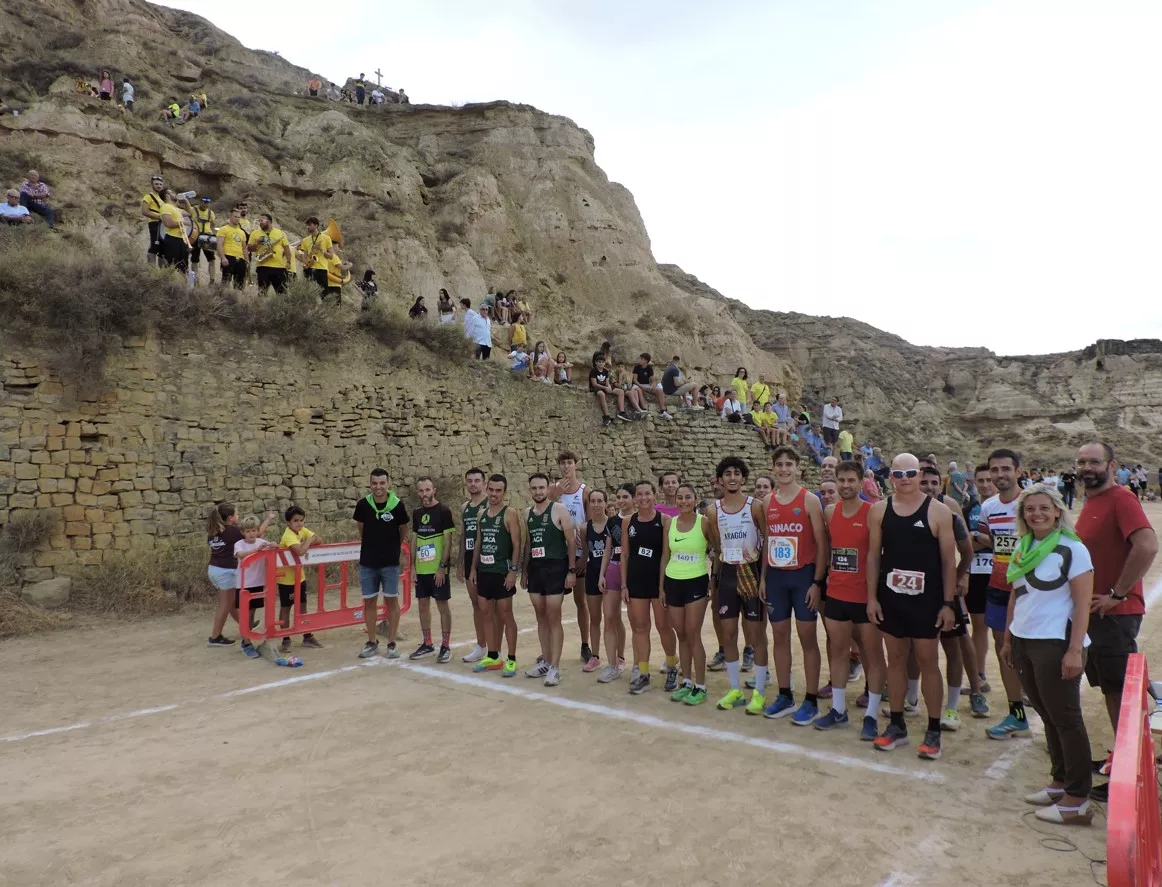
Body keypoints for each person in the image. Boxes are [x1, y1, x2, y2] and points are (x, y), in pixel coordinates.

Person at [1001, 484, 1095, 824]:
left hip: (1055, 642)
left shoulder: (1073, 549)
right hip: (1025, 638)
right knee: (1047, 713)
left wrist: (1073, 650)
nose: (1036, 513)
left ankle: (1077, 797)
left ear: (1057, 510)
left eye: (1044, 508)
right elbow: (1017, 595)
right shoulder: (1025, 547)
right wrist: (1010, 639)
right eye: (1030, 509)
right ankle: (1059, 781)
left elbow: (1083, 603)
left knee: (1066, 719)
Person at [1075, 442, 1159, 800]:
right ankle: (1124, 761)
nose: (1087, 467)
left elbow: (1147, 545)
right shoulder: (1092, 501)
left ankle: (1134, 773)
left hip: (1116, 615)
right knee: (1111, 691)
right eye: (1081, 461)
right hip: (1098, 614)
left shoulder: (1121, 498)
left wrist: (1119, 593)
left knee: (1121, 694)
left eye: (1094, 461)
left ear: (1111, 465)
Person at [866, 454, 958, 760]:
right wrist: (871, 598)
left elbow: (948, 561)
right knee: (895, 659)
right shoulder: (879, 510)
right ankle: (896, 725)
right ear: (890, 477)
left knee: (927, 660)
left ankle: (933, 729)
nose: (904, 478)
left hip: (927, 600)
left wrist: (948, 603)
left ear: (920, 475)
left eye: (910, 472)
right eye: (898, 473)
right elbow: (873, 556)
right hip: (891, 597)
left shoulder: (940, 512)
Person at [813, 460, 888, 740]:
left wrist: (874, 597)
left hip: (865, 597)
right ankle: (839, 709)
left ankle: (871, 714)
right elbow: (829, 550)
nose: (845, 485)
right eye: (841, 480)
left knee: (872, 653)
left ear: (861, 482)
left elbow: (877, 554)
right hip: (836, 594)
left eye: (850, 481)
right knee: (838, 652)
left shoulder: (873, 511)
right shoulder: (830, 511)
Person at [760, 446, 828, 724]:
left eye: (789, 464)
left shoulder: (810, 500)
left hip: (803, 578)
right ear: (774, 467)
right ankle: (785, 694)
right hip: (776, 578)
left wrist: (817, 583)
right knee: (779, 637)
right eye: (780, 464)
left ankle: (811, 700)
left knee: (807, 638)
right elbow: (768, 543)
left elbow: (823, 545)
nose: (784, 469)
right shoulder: (767, 502)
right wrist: (764, 578)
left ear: (798, 467)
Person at [919, 466, 986, 727]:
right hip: (920, 588)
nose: (928, 486)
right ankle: (912, 696)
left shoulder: (950, 507)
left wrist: (962, 577)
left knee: (959, 640)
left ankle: (976, 690)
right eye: (923, 481)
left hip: (948, 586)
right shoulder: (904, 506)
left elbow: (965, 547)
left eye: (933, 482)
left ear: (941, 484)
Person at [705, 457, 769, 713]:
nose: (732, 478)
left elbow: (766, 546)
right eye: (727, 474)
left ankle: (760, 692)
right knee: (728, 633)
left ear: (743, 478)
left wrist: (764, 578)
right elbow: (718, 549)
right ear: (720, 480)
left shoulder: (756, 507)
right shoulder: (712, 511)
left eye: (736, 473)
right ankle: (734, 689)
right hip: (728, 576)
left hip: (752, 573)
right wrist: (714, 581)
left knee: (756, 636)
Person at [979, 449, 1034, 741]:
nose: (1000, 475)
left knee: (1037, 653)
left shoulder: (1034, 503)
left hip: (1033, 592)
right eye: (995, 470)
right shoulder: (988, 507)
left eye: (1005, 469)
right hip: (999, 588)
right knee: (1005, 651)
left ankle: (1055, 723)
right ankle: (1018, 715)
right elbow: (988, 541)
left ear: (1018, 470)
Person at [658, 483, 716, 706]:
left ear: (695, 499)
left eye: (687, 497)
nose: (683, 501)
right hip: (673, 581)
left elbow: (716, 551)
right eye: (680, 498)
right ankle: (687, 682)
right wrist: (662, 587)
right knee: (681, 633)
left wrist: (713, 579)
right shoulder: (670, 524)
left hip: (696, 582)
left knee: (693, 634)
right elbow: (665, 555)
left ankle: (700, 686)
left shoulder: (704, 522)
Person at [521, 474, 577, 686]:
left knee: (553, 616)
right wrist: (524, 571)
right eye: (534, 488)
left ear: (548, 489)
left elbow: (571, 542)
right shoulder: (527, 513)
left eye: (541, 487)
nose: (538, 491)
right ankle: (545, 660)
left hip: (556, 567)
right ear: (530, 490)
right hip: (536, 569)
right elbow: (528, 544)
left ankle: (555, 666)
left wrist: (571, 571)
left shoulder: (559, 509)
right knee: (540, 616)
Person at [469, 474, 522, 676]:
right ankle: (492, 656)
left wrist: (513, 571)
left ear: (504, 492)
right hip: (484, 571)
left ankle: (511, 659)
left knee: (506, 614)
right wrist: (473, 569)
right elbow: (478, 544)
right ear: (486, 489)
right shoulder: (481, 514)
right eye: (491, 490)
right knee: (486, 613)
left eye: (498, 491)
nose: (493, 494)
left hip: (502, 572)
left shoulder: (509, 514)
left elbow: (517, 544)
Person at [354, 468, 410, 659]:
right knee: (369, 602)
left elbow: (403, 529)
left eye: (382, 483)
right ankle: (371, 642)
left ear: (388, 484)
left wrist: (393, 546)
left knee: (391, 601)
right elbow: (361, 528)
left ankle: (392, 643)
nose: (378, 487)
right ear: (370, 484)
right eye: (374, 483)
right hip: (368, 563)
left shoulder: (397, 506)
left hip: (390, 563)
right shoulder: (363, 505)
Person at [205, 502, 275, 656]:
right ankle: (215, 637)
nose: (238, 516)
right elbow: (258, 534)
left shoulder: (214, 530)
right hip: (226, 571)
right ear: (230, 518)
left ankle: (245, 626)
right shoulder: (232, 531)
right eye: (236, 514)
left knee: (231, 603)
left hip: (214, 569)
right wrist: (268, 520)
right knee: (226, 604)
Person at [552, 452, 597, 668]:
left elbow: (589, 525)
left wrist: (585, 556)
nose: (566, 466)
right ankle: (551, 647)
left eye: (569, 463)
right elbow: (544, 512)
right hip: (558, 552)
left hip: (579, 552)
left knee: (581, 602)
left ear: (576, 465)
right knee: (554, 603)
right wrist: (555, 494)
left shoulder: (584, 491)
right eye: (563, 463)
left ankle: (585, 644)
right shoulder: (554, 491)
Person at [622, 480, 665, 694]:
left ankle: (673, 666)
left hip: (657, 582)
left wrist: (663, 585)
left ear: (654, 495)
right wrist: (624, 585)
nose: (643, 498)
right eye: (639, 494)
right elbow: (625, 555)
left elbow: (666, 555)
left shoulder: (664, 520)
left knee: (663, 626)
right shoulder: (628, 521)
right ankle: (644, 673)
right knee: (640, 628)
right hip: (636, 581)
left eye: (647, 493)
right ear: (635, 497)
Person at [409, 476, 456, 663]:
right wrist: (412, 566)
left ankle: (445, 646)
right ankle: (427, 643)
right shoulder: (417, 513)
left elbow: (448, 542)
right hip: (421, 570)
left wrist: (442, 567)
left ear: (434, 490)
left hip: (438, 570)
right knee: (422, 606)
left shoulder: (444, 511)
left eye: (427, 490)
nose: (424, 494)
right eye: (421, 491)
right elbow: (414, 540)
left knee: (442, 606)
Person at [457, 468, 495, 664]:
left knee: (491, 606)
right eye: (470, 481)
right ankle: (481, 645)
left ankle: (495, 648)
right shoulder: (465, 507)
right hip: (470, 558)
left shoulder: (491, 504)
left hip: (489, 558)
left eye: (477, 481)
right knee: (476, 605)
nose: (473, 484)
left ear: (484, 482)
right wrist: (459, 562)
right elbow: (464, 535)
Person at [595, 485, 632, 681]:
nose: (621, 500)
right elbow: (607, 551)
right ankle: (612, 664)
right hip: (613, 570)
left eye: (625, 497)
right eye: (618, 497)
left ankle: (624, 658)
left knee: (636, 621)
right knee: (610, 617)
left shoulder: (639, 520)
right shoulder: (612, 522)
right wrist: (602, 574)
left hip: (634, 571)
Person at [966, 464, 997, 696]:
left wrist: (979, 536)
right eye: (981, 480)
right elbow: (967, 544)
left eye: (989, 479)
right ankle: (979, 675)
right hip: (976, 574)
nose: (985, 484)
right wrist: (987, 539)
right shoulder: (969, 509)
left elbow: (1010, 542)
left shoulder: (1012, 507)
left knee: (1007, 632)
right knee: (979, 628)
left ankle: (1024, 686)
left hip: (1002, 573)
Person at [275, 505, 323, 651]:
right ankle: (285, 638)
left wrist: (307, 541)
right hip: (286, 579)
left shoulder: (302, 531)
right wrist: (308, 542)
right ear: (289, 523)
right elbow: (300, 551)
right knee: (286, 607)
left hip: (299, 577)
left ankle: (307, 636)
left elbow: (319, 540)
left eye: (301, 520)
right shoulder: (288, 535)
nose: (300, 523)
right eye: (296, 521)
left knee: (302, 606)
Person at [246, 214, 292, 294]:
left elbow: (287, 249)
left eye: (262, 221)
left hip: (279, 267)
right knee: (262, 292)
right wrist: (257, 243)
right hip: (262, 266)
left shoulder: (280, 233)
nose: (260, 223)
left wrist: (288, 262)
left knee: (282, 293)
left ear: (269, 222)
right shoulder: (255, 233)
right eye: (259, 221)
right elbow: (249, 248)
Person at [589, 353, 632, 426]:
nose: (601, 363)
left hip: (604, 386)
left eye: (602, 362)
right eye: (599, 362)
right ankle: (606, 416)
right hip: (596, 387)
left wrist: (608, 386)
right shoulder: (593, 370)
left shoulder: (606, 371)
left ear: (604, 362)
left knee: (620, 391)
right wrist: (605, 388)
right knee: (602, 394)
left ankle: (621, 412)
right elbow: (594, 384)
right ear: (596, 362)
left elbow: (607, 382)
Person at [297, 216, 334, 294]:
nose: (308, 227)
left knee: (324, 295)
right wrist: (306, 262)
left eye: (310, 225)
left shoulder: (326, 238)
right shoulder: (305, 240)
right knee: (308, 294)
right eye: (307, 225)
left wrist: (321, 249)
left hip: (321, 270)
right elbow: (305, 256)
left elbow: (331, 256)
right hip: (309, 269)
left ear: (316, 225)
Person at [157, 189, 191, 273]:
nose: (174, 194)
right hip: (172, 239)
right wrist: (183, 222)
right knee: (172, 266)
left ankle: (182, 284)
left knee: (183, 266)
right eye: (172, 192)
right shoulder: (165, 207)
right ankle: (171, 284)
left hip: (182, 239)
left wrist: (185, 200)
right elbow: (168, 223)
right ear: (167, 196)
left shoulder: (176, 208)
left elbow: (189, 212)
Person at [215, 206, 248, 289]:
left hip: (240, 259)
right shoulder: (223, 229)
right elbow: (219, 244)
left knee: (239, 284)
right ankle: (223, 298)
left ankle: (238, 300)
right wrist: (223, 258)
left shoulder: (242, 232)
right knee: (226, 281)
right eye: (235, 217)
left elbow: (244, 248)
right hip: (228, 257)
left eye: (238, 217)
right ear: (230, 217)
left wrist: (247, 260)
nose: (237, 219)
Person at [186, 197, 217, 285]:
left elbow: (213, 224)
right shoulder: (193, 210)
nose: (206, 204)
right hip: (195, 235)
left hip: (207, 236)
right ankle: (195, 280)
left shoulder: (210, 213)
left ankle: (212, 280)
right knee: (194, 259)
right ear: (200, 202)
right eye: (204, 202)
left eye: (207, 203)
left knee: (211, 259)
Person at [632, 352, 671, 418]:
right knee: (639, 389)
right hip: (638, 385)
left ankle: (662, 411)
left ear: (646, 361)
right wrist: (641, 386)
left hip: (646, 385)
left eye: (642, 359)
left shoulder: (649, 368)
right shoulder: (637, 367)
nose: (640, 360)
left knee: (660, 390)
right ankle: (643, 409)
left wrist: (652, 386)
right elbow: (634, 379)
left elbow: (653, 380)